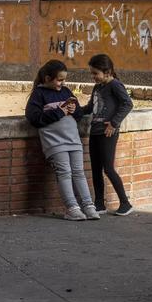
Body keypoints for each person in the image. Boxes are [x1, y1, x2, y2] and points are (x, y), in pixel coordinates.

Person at [26, 60, 99, 221]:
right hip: (55, 143)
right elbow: (34, 118)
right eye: (59, 80)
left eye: (64, 79)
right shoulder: (39, 94)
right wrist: (59, 112)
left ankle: (88, 206)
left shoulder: (66, 92)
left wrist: (75, 110)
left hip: (73, 140)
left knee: (79, 172)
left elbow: (79, 115)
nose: (62, 83)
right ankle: (72, 208)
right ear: (47, 79)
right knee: (64, 173)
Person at [86, 54, 134, 216]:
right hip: (95, 131)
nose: (93, 77)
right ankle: (99, 204)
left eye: (95, 74)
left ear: (107, 72)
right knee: (95, 169)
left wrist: (114, 123)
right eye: (91, 73)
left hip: (107, 133)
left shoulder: (115, 85)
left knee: (108, 169)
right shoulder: (97, 87)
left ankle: (125, 203)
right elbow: (90, 108)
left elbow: (127, 103)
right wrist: (73, 110)